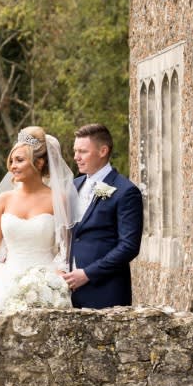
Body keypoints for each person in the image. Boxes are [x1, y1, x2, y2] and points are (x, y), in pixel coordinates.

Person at [0, 127, 79, 311]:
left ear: (39, 163)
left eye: (19, 160)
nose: (13, 166)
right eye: (11, 161)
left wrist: (57, 278)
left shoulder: (59, 200)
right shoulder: (3, 200)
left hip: (46, 280)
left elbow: (65, 248)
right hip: (4, 279)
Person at [60, 123, 143, 308]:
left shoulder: (126, 191)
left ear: (103, 151)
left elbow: (129, 246)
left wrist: (88, 274)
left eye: (83, 151)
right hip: (68, 292)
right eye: (75, 151)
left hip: (105, 291)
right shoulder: (74, 186)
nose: (76, 157)